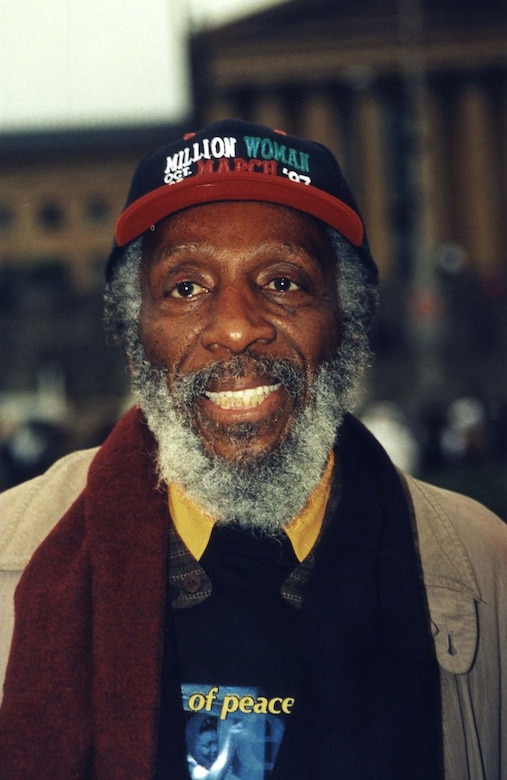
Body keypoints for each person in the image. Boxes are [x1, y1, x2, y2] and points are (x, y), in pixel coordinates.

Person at [0, 118, 506, 779]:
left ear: (346, 321)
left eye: (282, 281)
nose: (236, 327)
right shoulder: (13, 554)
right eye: (185, 288)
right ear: (134, 333)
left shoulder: (483, 569)